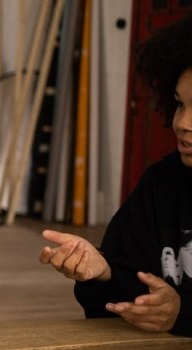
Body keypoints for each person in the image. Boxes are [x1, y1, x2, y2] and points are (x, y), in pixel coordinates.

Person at [39, 15, 192, 337]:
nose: (182, 123)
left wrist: (182, 313)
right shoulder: (160, 184)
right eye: (180, 105)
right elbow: (120, 301)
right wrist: (102, 272)